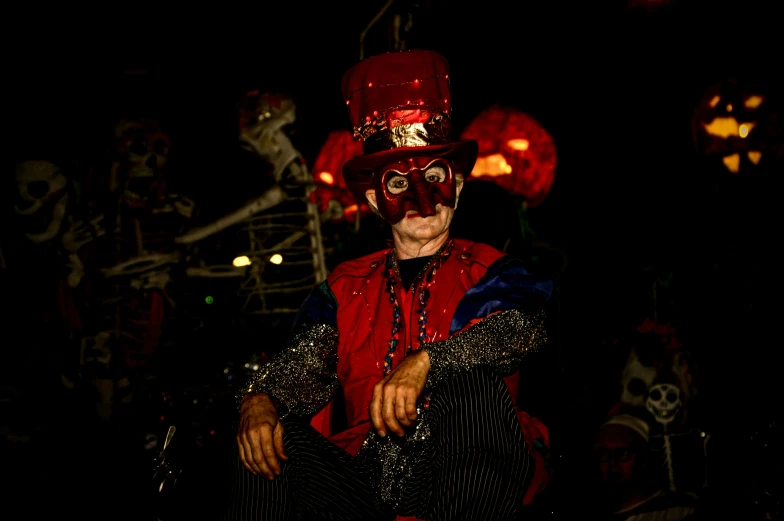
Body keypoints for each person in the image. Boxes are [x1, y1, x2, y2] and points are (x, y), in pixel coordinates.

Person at [220, 49, 554, 521]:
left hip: (462, 481)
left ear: (456, 187)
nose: (422, 199)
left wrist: (428, 362)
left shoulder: (494, 270)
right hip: (366, 479)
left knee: (470, 385)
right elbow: (302, 366)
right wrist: (258, 401)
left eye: (435, 177)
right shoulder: (345, 287)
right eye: (400, 184)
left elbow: (518, 330)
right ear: (377, 200)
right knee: (270, 437)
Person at [593, 412, 700, 521]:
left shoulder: (678, 512)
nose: (612, 463)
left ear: (643, 459)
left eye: (623, 453)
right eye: (604, 454)